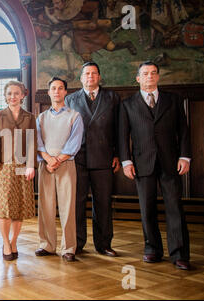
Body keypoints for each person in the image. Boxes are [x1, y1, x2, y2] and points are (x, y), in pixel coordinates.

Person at [119, 61, 191, 270]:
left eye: (153, 73)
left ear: (158, 77)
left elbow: (184, 131)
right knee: (147, 208)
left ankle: (179, 254)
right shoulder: (127, 104)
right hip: (142, 163)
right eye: (145, 74)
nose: (149, 77)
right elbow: (123, 136)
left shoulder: (174, 100)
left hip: (171, 161)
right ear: (138, 78)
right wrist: (126, 161)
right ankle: (152, 249)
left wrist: (185, 157)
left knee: (175, 208)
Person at [65, 62, 120, 257]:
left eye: (94, 73)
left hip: (104, 158)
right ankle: (78, 242)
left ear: (99, 77)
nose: (90, 76)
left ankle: (104, 244)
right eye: (87, 74)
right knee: (77, 202)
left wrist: (118, 154)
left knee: (103, 202)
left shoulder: (112, 97)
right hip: (77, 158)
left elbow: (119, 129)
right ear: (81, 78)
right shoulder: (70, 99)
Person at [0, 80, 37, 261]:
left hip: (23, 168)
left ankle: (14, 241)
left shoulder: (30, 117)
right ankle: (5, 243)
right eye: (9, 93)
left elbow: (32, 143)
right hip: (3, 168)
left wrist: (31, 165)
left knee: (19, 208)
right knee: (5, 208)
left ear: (23, 95)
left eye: (16, 93)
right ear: (5, 96)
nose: (13, 97)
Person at [35, 77, 83, 262]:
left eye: (60, 88)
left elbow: (75, 142)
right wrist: (48, 159)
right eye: (53, 88)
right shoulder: (41, 117)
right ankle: (46, 244)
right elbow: (38, 141)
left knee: (68, 206)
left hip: (66, 165)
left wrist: (58, 159)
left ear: (65, 92)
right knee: (45, 206)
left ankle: (69, 247)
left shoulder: (74, 116)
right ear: (48, 93)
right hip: (46, 165)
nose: (56, 91)